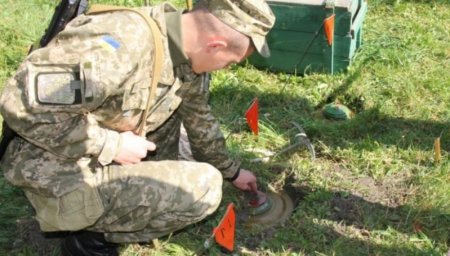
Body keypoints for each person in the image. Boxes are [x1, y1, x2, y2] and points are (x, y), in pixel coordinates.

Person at [0, 0, 275, 255]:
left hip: (93, 142)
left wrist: (232, 171)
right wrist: (112, 145)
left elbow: (199, 119)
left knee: (181, 137)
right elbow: (21, 106)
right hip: (49, 162)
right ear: (214, 45)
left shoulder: (185, 52)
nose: (226, 68)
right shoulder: (121, 44)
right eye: (230, 62)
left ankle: (120, 204)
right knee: (205, 186)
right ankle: (90, 240)